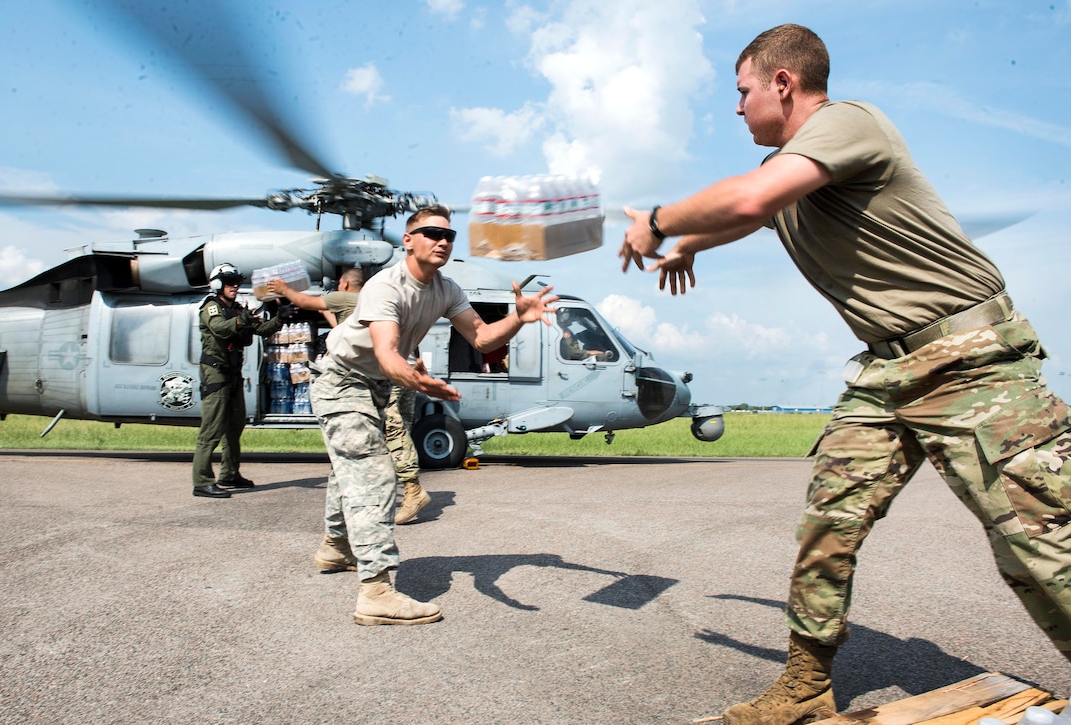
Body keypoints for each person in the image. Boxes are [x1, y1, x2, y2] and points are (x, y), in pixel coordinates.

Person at [620, 23, 1071, 725]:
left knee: (1039, 543)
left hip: (970, 359)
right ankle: (805, 683)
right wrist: (686, 246)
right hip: (887, 371)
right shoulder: (794, 177)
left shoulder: (847, 125)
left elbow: (748, 200)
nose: (736, 109)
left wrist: (655, 219)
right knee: (827, 523)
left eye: (741, 92)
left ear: (783, 83)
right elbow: (752, 216)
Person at [311, 205, 558, 626]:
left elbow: (481, 337)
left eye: (449, 235)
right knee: (374, 474)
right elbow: (388, 353)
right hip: (342, 382)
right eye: (430, 233)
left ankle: (336, 549)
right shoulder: (384, 286)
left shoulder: (446, 288)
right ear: (407, 240)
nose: (442, 241)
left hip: (376, 385)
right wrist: (415, 381)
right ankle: (376, 591)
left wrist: (517, 317)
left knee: (349, 470)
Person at [267, 269, 433, 530]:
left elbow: (305, 302)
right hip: (406, 369)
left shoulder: (345, 298)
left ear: (344, 284)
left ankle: (412, 489)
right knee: (400, 430)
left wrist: (283, 288)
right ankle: (388, 491)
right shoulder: (386, 300)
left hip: (385, 372)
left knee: (389, 429)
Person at [192, 263, 291, 499]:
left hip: (234, 373)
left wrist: (280, 319)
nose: (234, 285)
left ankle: (229, 474)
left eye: (236, 281)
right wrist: (243, 319)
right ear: (217, 284)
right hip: (215, 373)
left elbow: (262, 330)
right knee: (212, 428)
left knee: (235, 426)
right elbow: (221, 329)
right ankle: (202, 481)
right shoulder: (211, 308)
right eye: (229, 281)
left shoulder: (238, 309)